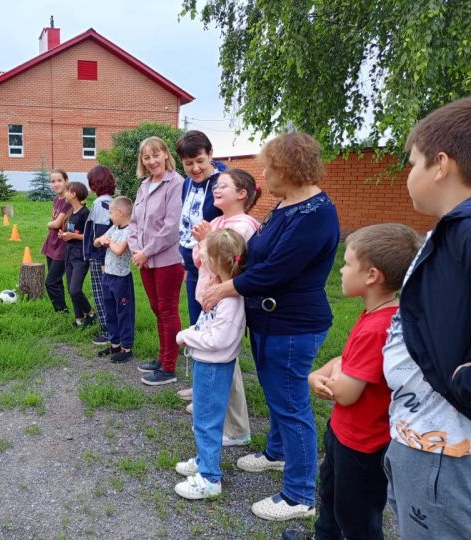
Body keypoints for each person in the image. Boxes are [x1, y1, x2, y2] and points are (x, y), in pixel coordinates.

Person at [202, 132, 340, 520]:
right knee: (277, 392)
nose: (262, 176)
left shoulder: (317, 214)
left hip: (293, 324)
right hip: (270, 319)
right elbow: (260, 254)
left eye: (269, 167)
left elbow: (277, 270)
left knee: (291, 403)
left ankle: (299, 495)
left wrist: (227, 287)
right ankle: (277, 454)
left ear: (290, 169)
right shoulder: (286, 205)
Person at [283, 223, 422, 540]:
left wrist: (319, 378)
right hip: (344, 434)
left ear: (372, 275)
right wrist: (321, 372)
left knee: (356, 516)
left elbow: (344, 393)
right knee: (330, 497)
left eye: (347, 264)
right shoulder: (382, 313)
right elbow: (348, 361)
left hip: (361, 445)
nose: (342, 271)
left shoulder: (378, 327)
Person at [381, 97, 471, 540]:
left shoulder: (466, 233)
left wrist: (461, 383)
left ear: (441, 164)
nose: (407, 176)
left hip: (446, 449)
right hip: (419, 435)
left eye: (412, 163)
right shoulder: (451, 229)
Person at [184, 168, 261, 447]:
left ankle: (236, 427)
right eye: (216, 185)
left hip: (225, 298)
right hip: (209, 295)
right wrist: (203, 242)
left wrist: (205, 241)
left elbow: (227, 260)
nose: (216, 189)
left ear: (241, 194)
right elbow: (200, 260)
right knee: (215, 359)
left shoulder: (243, 225)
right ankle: (213, 407)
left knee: (225, 360)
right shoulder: (217, 222)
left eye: (224, 185)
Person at [173, 229, 248, 499]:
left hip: (214, 367)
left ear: (216, 262)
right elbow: (209, 326)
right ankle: (204, 460)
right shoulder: (223, 294)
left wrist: (186, 335)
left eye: (204, 257)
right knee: (204, 418)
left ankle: (209, 478)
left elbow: (217, 338)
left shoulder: (230, 301)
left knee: (206, 421)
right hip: (208, 365)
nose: (201, 260)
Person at [128, 136, 185, 386]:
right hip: (145, 260)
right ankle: (163, 357)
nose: (152, 161)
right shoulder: (144, 185)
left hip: (168, 260)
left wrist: (146, 252)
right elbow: (133, 223)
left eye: (155, 155)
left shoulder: (176, 184)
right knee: (156, 309)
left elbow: (172, 227)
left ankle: (169, 368)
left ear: (165, 154)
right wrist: (135, 250)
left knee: (167, 310)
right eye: (146, 157)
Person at [176, 130, 226, 325]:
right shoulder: (187, 182)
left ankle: (216, 356)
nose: (195, 168)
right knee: (195, 318)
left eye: (200, 160)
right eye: (188, 163)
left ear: (210, 154)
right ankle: (196, 355)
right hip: (192, 263)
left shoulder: (223, 183)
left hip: (215, 266)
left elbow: (232, 225)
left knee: (214, 321)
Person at [94, 196, 135, 364]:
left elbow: (119, 250)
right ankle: (114, 343)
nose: (109, 216)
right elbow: (96, 242)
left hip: (121, 279)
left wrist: (108, 242)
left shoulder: (130, 231)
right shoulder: (114, 228)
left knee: (123, 312)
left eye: (111, 212)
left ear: (121, 211)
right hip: (108, 276)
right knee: (110, 310)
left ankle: (126, 347)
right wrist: (101, 239)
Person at [83, 165, 116, 343]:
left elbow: (103, 234)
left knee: (101, 293)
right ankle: (112, 328)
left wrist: (101, 259)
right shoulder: (111, 201)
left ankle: (108, 331)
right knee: (107, 293)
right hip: (106, 255)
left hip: (100, 257)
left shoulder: (100, 204)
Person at [58, 182, 95, 328]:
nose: (64, 194)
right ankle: (79, 318)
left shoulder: (85, 213)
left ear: (73, 194)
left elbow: (90, 237)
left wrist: (72, 235)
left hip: (81, 255)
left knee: (75, 289)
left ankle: (91, 313)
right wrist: (64, 235)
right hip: (69, 253)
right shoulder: (70, 212)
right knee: (70, 288)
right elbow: (70, 232)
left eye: (67, 191)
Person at [41, 168, 72, 313]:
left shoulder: (68, 200)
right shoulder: (56, 199)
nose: (56, 184)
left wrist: (48, 224)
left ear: (66, 181)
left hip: (63, 246)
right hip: (52, 244)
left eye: (59, 180)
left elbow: (56, 224)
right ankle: (62, 313)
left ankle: (61, 310)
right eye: (53, 181)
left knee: (51, 282)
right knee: (57, 281)